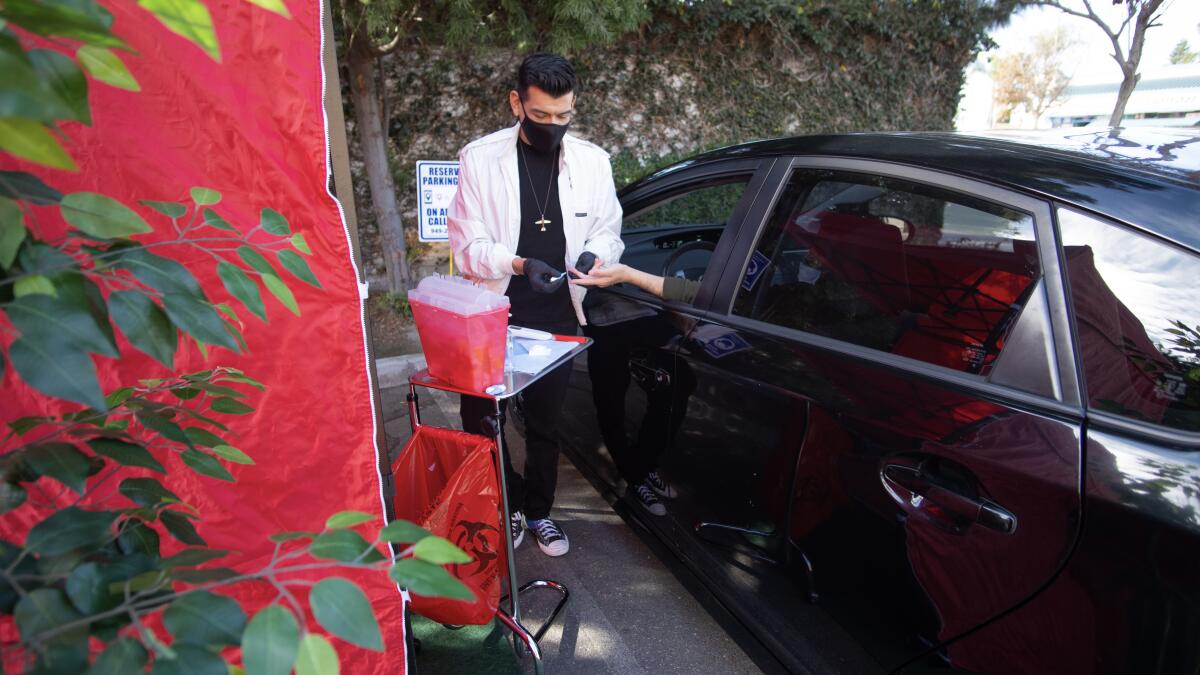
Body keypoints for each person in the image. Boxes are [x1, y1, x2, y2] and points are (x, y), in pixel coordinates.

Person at [447, 52, 623, 557]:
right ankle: (510, 502)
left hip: (560, 316)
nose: (553, 127)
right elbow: (467, 247)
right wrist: (520, 264)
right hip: (493, 314)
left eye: (563, 117)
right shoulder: (479, 159)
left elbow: (609, 229)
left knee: (547, 423)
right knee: (483, 420)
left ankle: (541, 511)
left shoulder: (593, 161)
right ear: (516, 103)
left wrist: (597, 253)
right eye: (541, 115)